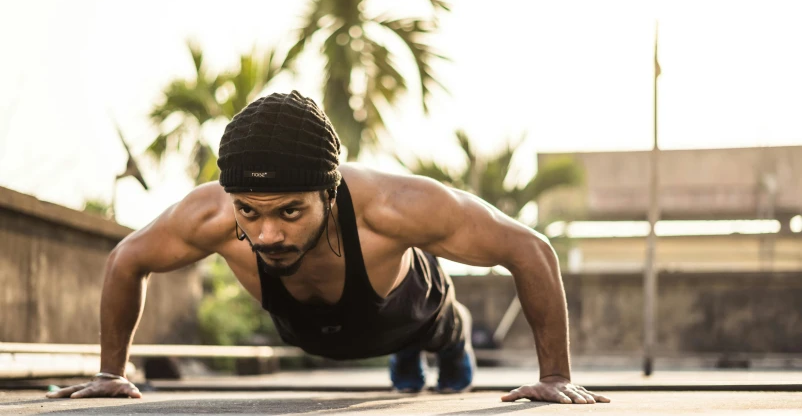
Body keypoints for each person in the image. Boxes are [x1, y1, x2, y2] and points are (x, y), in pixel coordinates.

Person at [47, 90, 610, 404]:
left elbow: (530, 249)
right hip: (306, 328)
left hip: (409, 309)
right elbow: (127, 259)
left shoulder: (394, 205)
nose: (267, 235)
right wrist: (109, 371)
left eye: (290, 211)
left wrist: (556, 374)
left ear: (330, 189)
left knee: (440, 333)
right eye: (250, 212)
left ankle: (437, 343)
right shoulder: (210, 214)